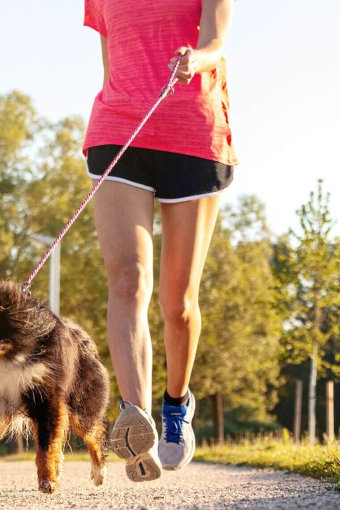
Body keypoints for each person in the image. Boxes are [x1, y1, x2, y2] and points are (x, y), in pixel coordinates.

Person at [82, 0, 236, 482]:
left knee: (179, 304)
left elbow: (215, 43)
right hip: (120, 129)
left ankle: (175, 405)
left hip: (192, 133)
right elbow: (113, 64)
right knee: (128, 280)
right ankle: (136, 417)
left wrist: (197, 58)